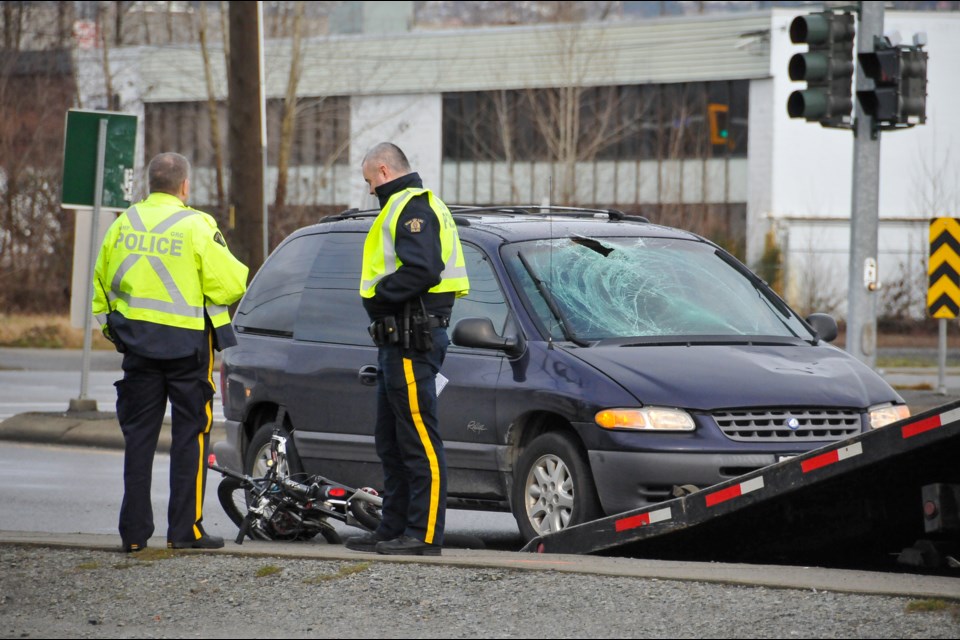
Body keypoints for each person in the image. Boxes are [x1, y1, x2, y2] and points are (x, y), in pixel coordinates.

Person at [92, 152, 249, 552]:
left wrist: (117, 331)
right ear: (184, 186)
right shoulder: (196, 225)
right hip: (186, 350)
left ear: (149, 184)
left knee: (139, 440)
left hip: (138, 349)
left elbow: (100, 287)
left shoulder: (123, 223)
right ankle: (184, 532)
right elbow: (231, 285)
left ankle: (133, 535)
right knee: (189, 439)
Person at [346, 142, 469, 556]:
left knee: (418, 441)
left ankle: (423, 534)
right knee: (392, 440)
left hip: (413, 338)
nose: (368, 190)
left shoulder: (413, 207)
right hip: (397, 339)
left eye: (368, 181)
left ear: (383, 170)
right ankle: (392, 527)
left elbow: (423, 269)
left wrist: (379, 296)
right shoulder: (402, 206)